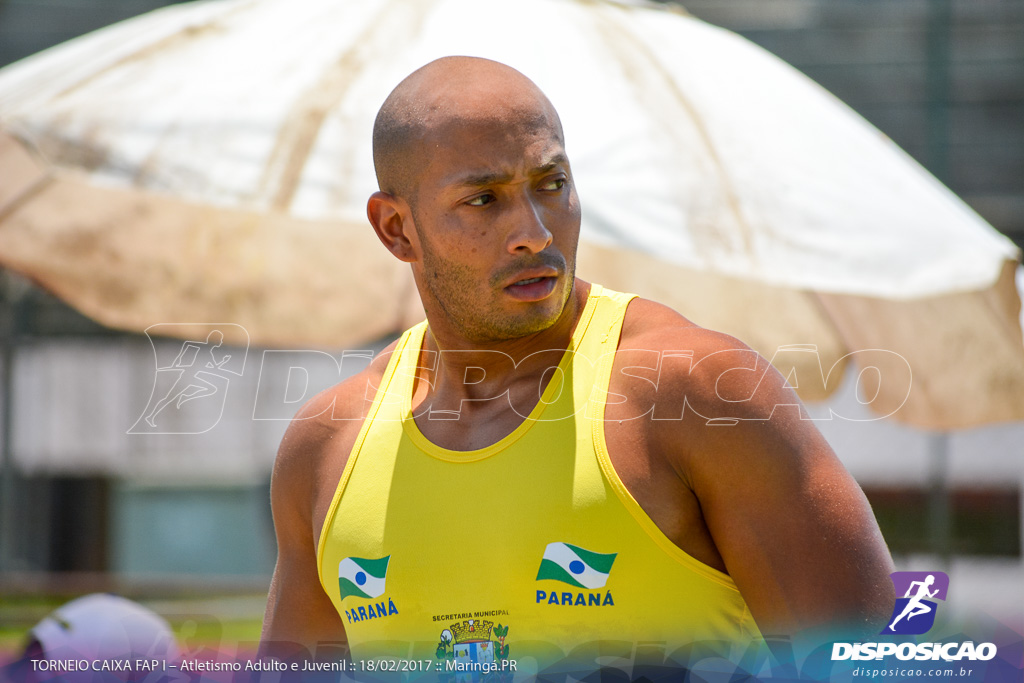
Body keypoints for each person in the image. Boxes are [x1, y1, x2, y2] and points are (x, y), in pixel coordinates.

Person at [260, 56, 895, 674]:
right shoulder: (326, 448)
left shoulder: (694, 391)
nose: (534, 232)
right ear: (396, 229)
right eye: (483, 199)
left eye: (551, 184)